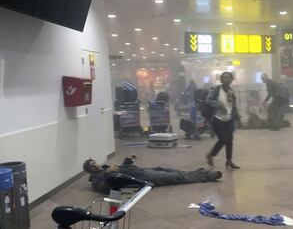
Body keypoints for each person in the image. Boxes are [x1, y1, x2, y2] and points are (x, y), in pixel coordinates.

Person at [83, 157, 222, 194]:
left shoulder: (105, 168)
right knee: (176, 178)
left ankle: (200, 172)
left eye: (95, 162)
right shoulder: (96, 180)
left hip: (139, 170)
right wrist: (109, 172)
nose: (96, 165)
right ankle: (208, 176)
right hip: (142, 177)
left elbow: (121, 170)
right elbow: (106, 187)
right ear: (90, 170)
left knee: (173, 172)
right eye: (92, 165)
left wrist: (126, 162)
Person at [205, 72, 240, 169]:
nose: (227, 79)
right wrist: (218, 105)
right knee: (223, 139)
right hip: (217, 119)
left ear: (231, 79)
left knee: (229, 141)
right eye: (225, 78)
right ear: (221, 79)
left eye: (229, 77)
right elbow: (208, 100)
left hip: (228, 119)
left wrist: (237, 118)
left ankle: (229, 161)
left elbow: (233, 106)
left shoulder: (231, 91)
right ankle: (211, 155)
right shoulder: (217, 89)